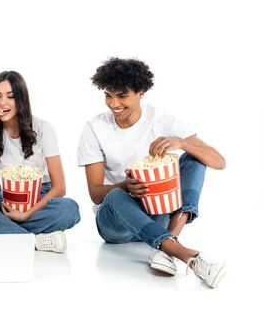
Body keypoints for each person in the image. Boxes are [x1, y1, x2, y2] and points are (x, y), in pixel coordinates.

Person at [77, 57, 227, 288]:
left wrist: (182, 143)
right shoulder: (95, 128)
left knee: (194, 157)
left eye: (122, 95)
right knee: (115, 195)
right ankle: (185, 255)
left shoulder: (160, 119)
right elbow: (96, 194)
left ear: (141, 92)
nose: (113, 103)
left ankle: (167, 243)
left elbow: (219, 161)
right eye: (108, 95)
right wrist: (126, 186)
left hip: (158, 215)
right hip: (115, 224)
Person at [0, 71, 80, 253]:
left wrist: (26, 214)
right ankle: (32, 241)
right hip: (5, 200)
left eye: (10, 97)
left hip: (40, 198)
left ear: (21, 99)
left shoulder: (43, 128)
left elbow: (60, 187)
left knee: (69, 209)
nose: (3, 102)